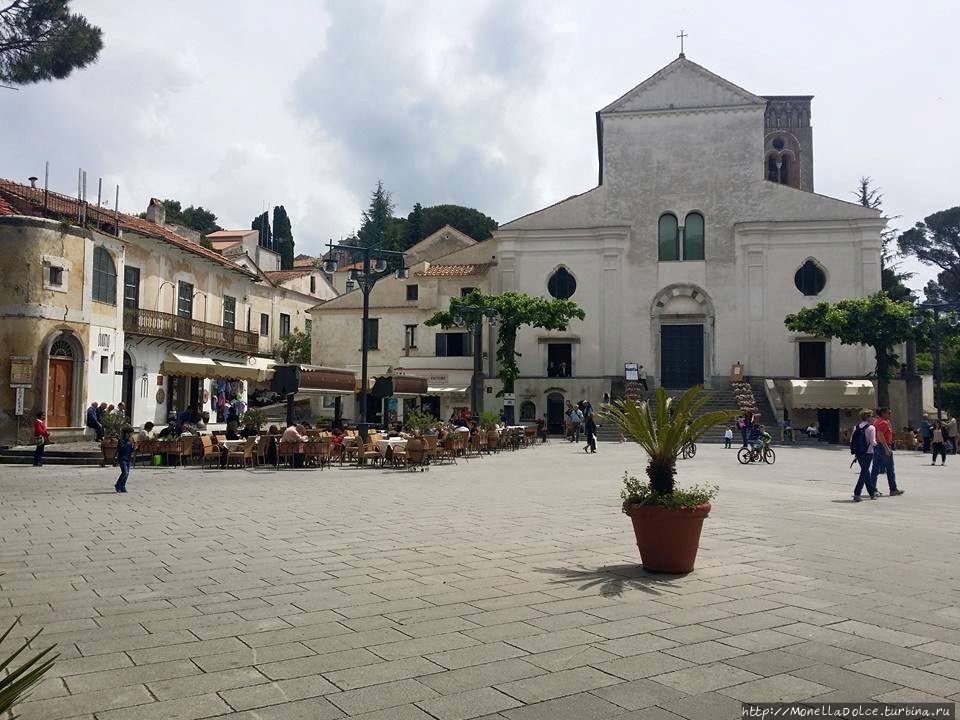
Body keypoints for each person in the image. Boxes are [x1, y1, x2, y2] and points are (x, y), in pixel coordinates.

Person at [871, 407, 903, 496]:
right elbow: (880, 435)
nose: (890, 414)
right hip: (883, 446)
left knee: (875, 468)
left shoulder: (877, 421)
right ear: (883, 413)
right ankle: (893, 489)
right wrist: (886, 448)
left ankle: (872, 488)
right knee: (890, 468)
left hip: (876, 446)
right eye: (888, 413)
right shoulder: (883, 423)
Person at [851, 409, 877, 502]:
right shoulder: (871, 428)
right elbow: (873, 442)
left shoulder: (856, 427)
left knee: (865, 472)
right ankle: (857, 493)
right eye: (872, 416)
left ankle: (872, 493)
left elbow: (851, 440)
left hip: (859, 453)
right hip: (868, 453)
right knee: (864, 473)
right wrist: (878, 444)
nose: (873, 418)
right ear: (868, 417)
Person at [114, 427, 136, 493]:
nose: (132, 435)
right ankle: (118, 485)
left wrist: (134, 447)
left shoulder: (130, 440)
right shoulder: (121, 440)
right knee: (125, 472)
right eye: (131, 433)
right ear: (127, 433)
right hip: (122, 458)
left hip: (128, 458)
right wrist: (129, 443)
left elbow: (131, 450)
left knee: (127, 474)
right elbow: (120, 449)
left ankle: (123, 486)